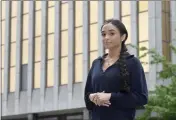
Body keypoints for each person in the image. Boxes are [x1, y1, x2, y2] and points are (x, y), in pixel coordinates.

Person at [84, 19, 148, 120]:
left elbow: (141, 97)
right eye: (103, 34)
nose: (106, 38)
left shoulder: (132, 63)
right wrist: (92, 97)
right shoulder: (96, 63)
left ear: (123, 37)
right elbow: (87, 94)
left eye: (111, 33)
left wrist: (110, 96)